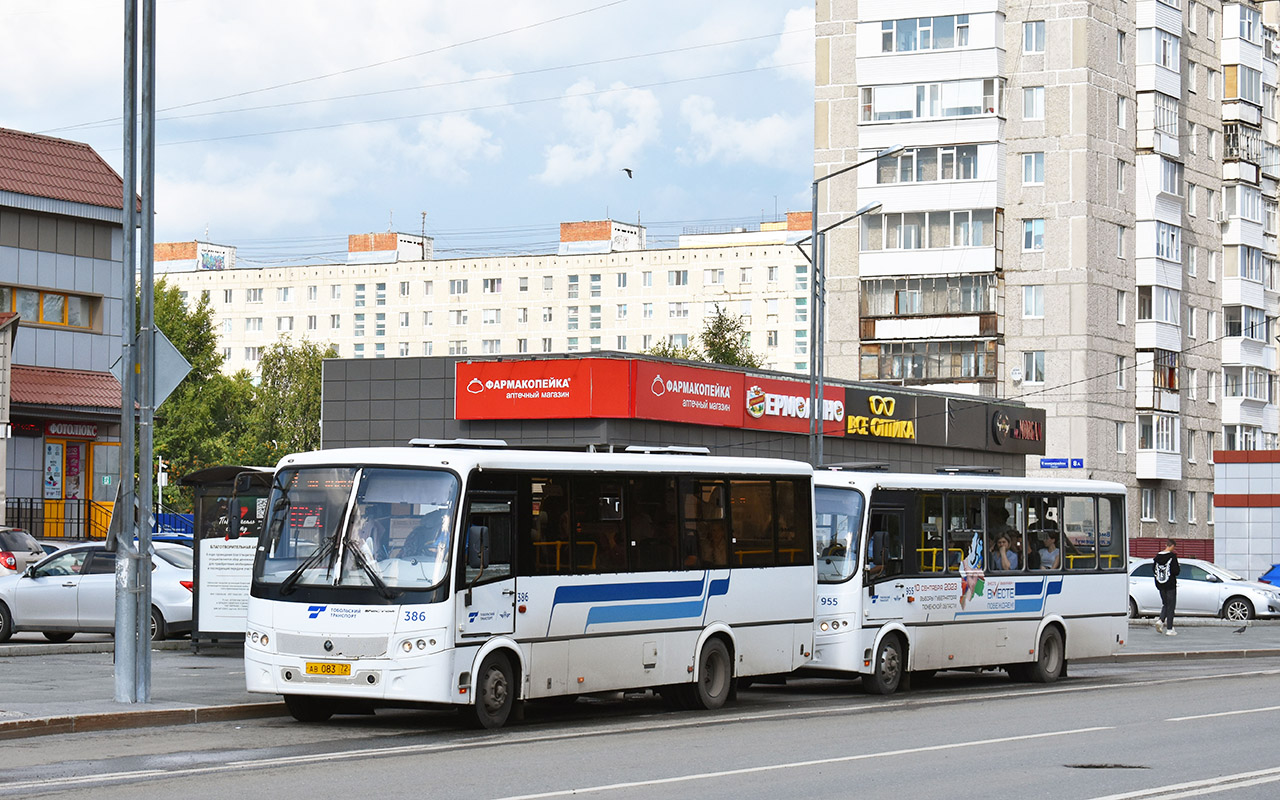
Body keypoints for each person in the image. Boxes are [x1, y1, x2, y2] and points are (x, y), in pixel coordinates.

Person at [1153, 539, 1180, 635]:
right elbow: (1176, 571)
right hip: (1170, 584)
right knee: (1171, 606)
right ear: (1172, 546)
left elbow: (1153, 570)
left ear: (1166, 545)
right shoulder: (1172, 557)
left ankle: (1160, 621)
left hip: (1160, 584)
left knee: (1165, 603)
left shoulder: (1157, 557)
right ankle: (1169, 629)